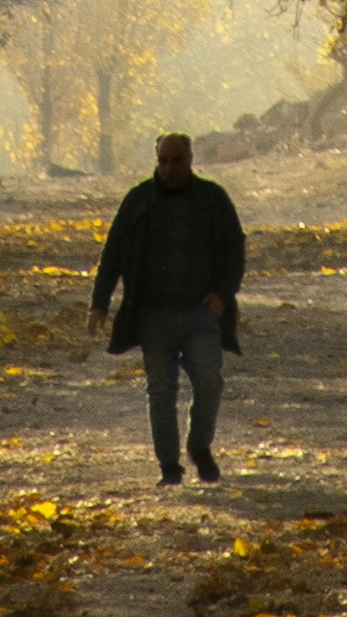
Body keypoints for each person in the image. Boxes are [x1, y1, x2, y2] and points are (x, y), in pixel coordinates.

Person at [89, 130, 247, 486]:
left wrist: (223, 294)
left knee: (209, 380)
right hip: (153, 315)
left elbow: (236, 250)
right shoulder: (139, 201)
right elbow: (113, 252)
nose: (170, 168)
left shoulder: (212, 199)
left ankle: (199, 446)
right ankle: (169, 467)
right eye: (163, 161)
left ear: (190, 160)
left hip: (201, 314)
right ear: (155, 161)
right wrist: (99, 303)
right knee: (161, 390)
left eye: (177, 161)